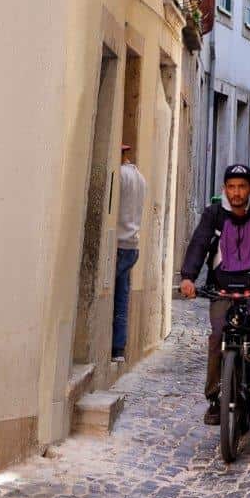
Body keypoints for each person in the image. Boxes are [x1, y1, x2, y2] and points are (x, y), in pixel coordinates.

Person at [180, 164, 250, 425]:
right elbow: (199, 243)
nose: (236, 192)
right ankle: (214, 397)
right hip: (222, 287)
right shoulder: (214, 214)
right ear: (224, 189)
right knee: (218, 335)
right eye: (231, 186)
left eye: (242, 186)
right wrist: (188, 277)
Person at [112, 145, 147, 362]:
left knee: (116, 297)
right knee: (122, 297)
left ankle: (115, 346)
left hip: (118, 242)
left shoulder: (120, 176)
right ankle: (118, 349)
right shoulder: (140, 178)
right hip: (132, 244)